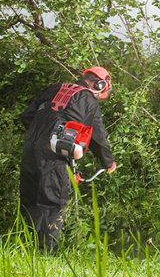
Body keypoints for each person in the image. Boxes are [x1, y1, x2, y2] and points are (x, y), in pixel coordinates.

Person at [19, 66, 117, 252]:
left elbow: (27, 116)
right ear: (100, 84)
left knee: (29, 200)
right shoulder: (88, 99)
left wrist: (39, 137)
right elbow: (97, 136)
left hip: (31, 151)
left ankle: (23, 248)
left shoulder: (54, 88)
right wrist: (108, 162)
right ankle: (44, 256)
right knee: (52, 204)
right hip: (55, 156)